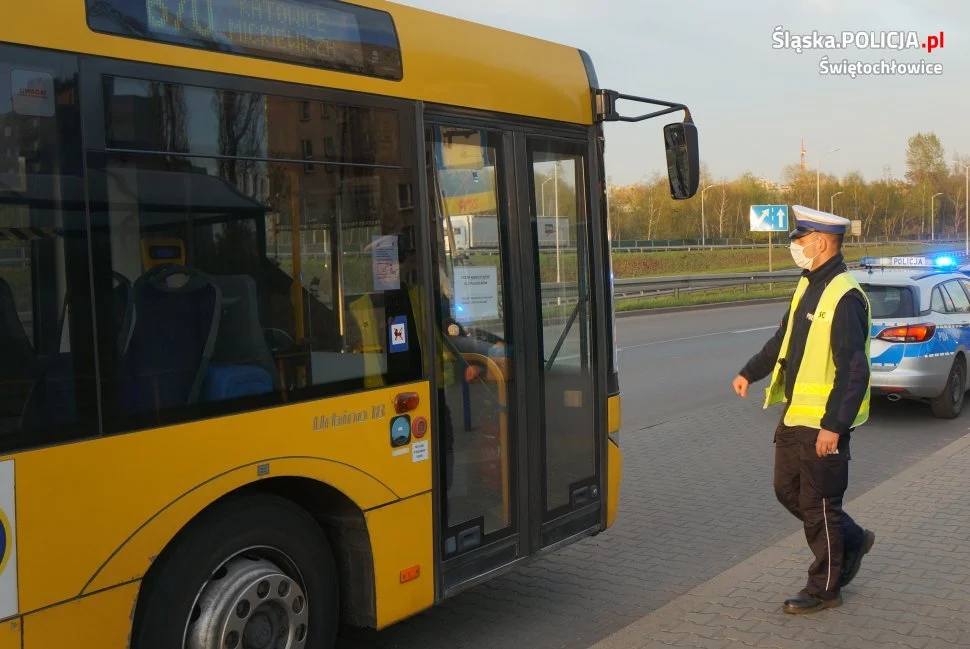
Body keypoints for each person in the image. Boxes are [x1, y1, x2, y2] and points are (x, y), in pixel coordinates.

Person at [732, 205, 876, 615]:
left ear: (822, 241)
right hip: (795, 416)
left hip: (822, 426)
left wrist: (835, 426)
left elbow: (853, 369)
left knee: (820, 506)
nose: (795, 245)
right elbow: (782, 342)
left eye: (800, 239)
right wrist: (749, 372)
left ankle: (824, 589)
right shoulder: (808, 285)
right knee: (788, 491)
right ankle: (851, 538)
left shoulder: (844, 296)